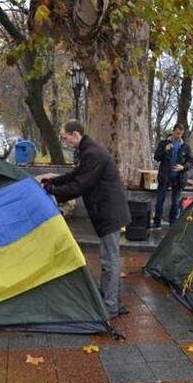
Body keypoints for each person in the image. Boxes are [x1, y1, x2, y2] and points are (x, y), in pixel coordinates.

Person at [41, 120, 131, 318]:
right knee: (111, 258)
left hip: (109, 211)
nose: (64, 142)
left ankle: (110, 307)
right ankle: (114, 300)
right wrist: (52, 182)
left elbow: (81, 185)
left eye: (65, 138)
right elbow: (77, 174)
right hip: (108, 210)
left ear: (75, 134)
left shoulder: (92, 153)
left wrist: (54, 191)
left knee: (110, 260)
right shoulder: (88, 151)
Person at [152, 123, 193, 228]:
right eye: (177, 133)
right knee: (160, 200)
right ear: (173, 131)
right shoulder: (163, 143)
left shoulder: (185, 146)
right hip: (165, 176)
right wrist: (165, 150)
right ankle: (157, 222)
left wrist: (183, 167)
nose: (178, 136)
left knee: (175, 202)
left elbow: (190, 162)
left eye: (181, 134)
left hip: (179, 178)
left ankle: (172, 223)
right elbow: (156, 157)